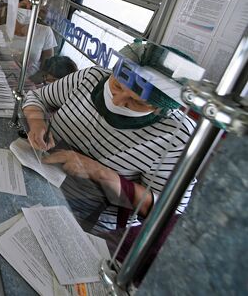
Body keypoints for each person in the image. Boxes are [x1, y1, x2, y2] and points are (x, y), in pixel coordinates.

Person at [23, 42, 197, 232]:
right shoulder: (90, 78)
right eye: (116, 86)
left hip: (86, 219)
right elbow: (37, 98)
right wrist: (37, 122)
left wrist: (99, 172)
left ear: (160, 109)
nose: (117, 101)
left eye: (136, 102)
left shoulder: (177, 136)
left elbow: (166, 209)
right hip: (39, 173)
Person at [0, 0, 58, 78]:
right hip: (2, 78)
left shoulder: (45, 32)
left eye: (32, 8)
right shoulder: (0, 31)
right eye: (23, 7)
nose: (27, 11)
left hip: (30, 83)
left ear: (38, 11)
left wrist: (32, 82)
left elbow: (47, 67)